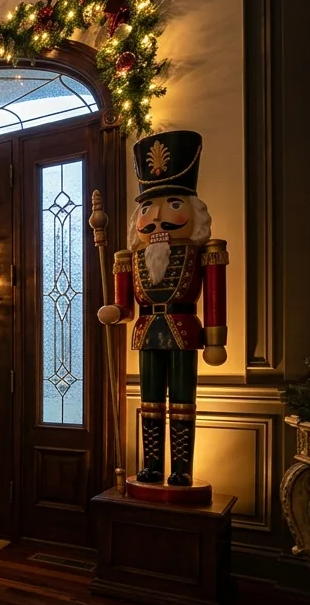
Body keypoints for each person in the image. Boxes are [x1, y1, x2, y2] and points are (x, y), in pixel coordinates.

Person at [97, 130, 228, 487]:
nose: (156, 217)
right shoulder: (130, 257)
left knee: (183, 402)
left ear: (193, 210)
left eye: (171, 204)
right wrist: (116, 311)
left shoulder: (205, 251)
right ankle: (152, 463)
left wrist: (216, 339)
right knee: (151, 401)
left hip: (185, 330)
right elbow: (125, 304)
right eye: (147, 208)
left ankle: (181, 467)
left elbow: (216, 296)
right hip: (147, 331)